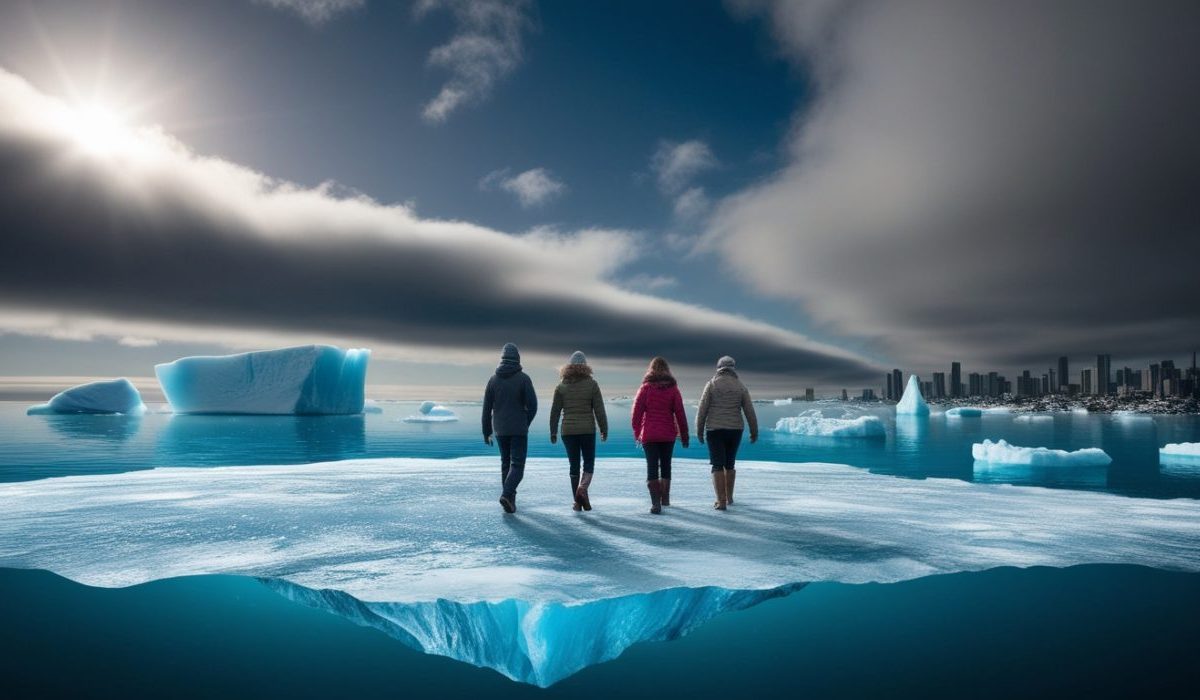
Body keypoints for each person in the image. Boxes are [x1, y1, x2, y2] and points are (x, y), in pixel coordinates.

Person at [696, 355, 758, 510]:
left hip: (715, 430)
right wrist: (753, 430)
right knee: (729, 464)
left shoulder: (711, 384)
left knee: (717, 465)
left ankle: (721, 501)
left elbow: (702, 409)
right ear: (733, 368)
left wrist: (699, 430)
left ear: (719, 368)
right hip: (735, 429)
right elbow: (749, 410)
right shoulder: (740, 386)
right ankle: (729, 497)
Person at [549, 351, 608, 511]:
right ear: (585, 367)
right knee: (588, 463)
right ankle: (582, 491)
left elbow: (555, 411)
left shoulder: (561, 386)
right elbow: (599, 410)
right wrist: (604, 428)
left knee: (573, 466)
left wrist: (553, 431)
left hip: (568, 431)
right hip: (588, 430)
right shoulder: (592, 384)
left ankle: (577, 502)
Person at [482, 343, 538, 513]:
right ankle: (507, 494)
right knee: (518, 466)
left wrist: (487, 432)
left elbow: (486, 408)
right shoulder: (523, 379)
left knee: (506, 463)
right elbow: (533, 406)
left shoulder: (493, 380)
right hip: (518, 428)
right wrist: (524, 422)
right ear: (517, 358)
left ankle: (510, 503)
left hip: (500, 429)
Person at [631, 357, 689, 514]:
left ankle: (655, 503)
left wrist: (638, 434)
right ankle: (665, 499)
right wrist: (684, 436)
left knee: (652, 467)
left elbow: (636, 414)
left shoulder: (645, 388)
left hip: (649, 435)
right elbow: (680, 414)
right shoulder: (673, 389)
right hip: (668, 434)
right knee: (666, 466)